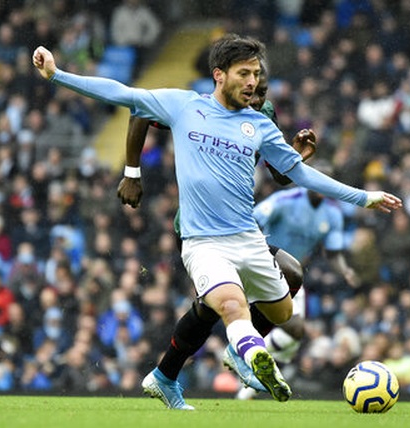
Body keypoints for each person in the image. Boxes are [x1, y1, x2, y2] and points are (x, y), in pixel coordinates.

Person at [32, 34, 402, 409]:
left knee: (283, 310)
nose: (253, 82)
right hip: (202, 239)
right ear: (219, 75)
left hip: (247, 236)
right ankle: (250, 354)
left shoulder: (259, 124)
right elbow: (124, 95)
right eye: (244, 74)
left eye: (256, 74)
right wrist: (58, 75)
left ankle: (190, 367)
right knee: (230, 303)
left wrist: (363, 197)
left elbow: (299, 176)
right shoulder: (184, 106)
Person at [116, 66, 318, 403]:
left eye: (262, 92)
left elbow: (278, 174)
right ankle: (169, 375)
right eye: (251, 88)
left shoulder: (262, 113)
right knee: (215, 306)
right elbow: (140, 110)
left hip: (239, 227)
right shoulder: (200, 108)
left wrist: (296, 157)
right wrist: (132, 173)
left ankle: (226, 353)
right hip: (200, 226)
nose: (255, 97)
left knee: (291, 275)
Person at [236, 160, 360, 400]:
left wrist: (345, 271)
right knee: (293, 330)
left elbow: (333, 253)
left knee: (293, 340)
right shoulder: (286, 200)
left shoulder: (332, 214)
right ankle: (243, 350)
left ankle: (248, 378)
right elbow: (253, 219)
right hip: (265, 269)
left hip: (292, 277)